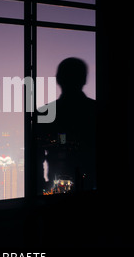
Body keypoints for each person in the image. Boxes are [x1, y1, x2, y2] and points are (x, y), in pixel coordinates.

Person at [37, 57, 96, 194]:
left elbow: (36, 156)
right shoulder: (96, 110)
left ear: (58, 79)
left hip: (56, 195)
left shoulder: (45, 113)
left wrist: (41, 187)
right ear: (84, 79)